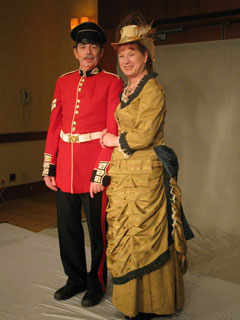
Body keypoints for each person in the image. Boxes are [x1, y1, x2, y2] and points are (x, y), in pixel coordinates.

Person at [90, 11, 194, 320]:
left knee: (146, 236)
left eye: (131, 53)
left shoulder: (153, 90)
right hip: (123, 176)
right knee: (126, 235)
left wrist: (112, 141)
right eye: (121, 54)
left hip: (146, 176)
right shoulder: (126, 91)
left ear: (145, 55)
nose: (125, 60)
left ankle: (155, 303)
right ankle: (132, 303)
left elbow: (145, 134)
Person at [42, 22, 123, 307]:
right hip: (65, 167)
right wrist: (49, 165)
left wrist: (101, 171)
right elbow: (55, 126)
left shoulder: (113, 82)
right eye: (82, 47)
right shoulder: (63, 81)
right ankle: (74, 278)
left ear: (101, 52)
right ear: (75, 52)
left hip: (93, 169)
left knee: (98, 231)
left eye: (93, 47)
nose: (87, 52)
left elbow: (112, 129)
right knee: (67, 228)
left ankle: (96, 281)